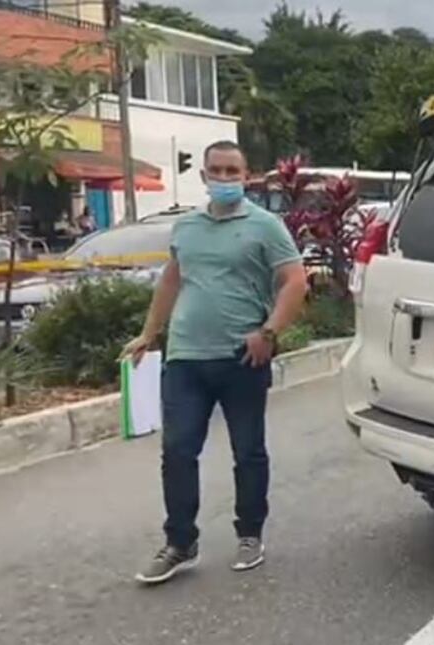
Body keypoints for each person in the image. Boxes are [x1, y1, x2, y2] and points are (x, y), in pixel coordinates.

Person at [123, 140, 308, 585]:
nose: (224, 178)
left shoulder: (265, 226)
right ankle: (180, 542)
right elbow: (172, 281)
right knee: (177, 451)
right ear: (204, 176)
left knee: (248, 451)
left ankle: (250, 534)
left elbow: (295, 281)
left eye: (232, 171)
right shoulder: (187, 227)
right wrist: (149, 333)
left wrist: (269, 332)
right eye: (217, 171)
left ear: (247, 176)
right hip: (186, 357)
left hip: (241, 357)